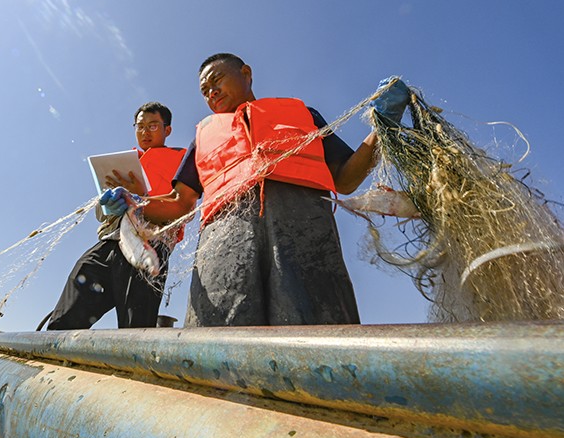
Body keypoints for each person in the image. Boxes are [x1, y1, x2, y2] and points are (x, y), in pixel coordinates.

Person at [104, 53, 410, 327]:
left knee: (317, 327)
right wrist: (135, 206)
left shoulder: (303, 113)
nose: (211, 92)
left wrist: (381, 126)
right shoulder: (204, 135)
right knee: (220, 336)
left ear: (246, 73)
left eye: (217, 80)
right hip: (223, 242)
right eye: (204, 90)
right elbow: (180, 202)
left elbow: (345, 178)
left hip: (305, 237)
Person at [46, 102, 186, 330]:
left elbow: (185, 206)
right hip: (110, 240)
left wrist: (142, 198)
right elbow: (102, 214)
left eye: (152, 126)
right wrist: (106, 205)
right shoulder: (124, 160)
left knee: (136, 326)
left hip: (149, 248)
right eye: (140, 126)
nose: (144, 132)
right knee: (69, 309)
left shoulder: (180, 158)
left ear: (167, 129)